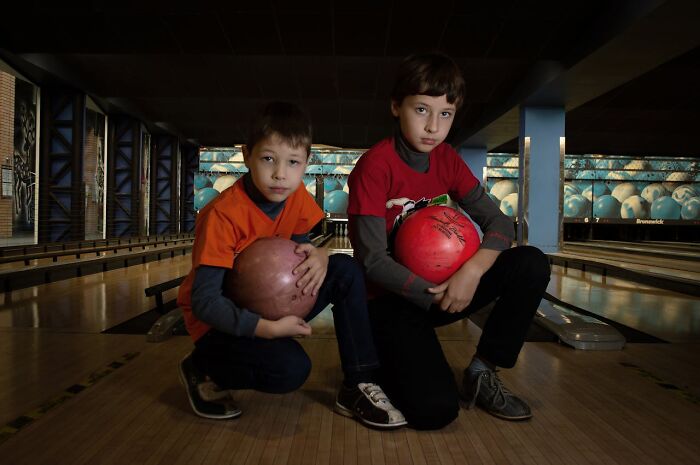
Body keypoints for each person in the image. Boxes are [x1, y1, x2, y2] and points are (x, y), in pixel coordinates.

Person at [347, 52, 551, 430]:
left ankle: (482, 371)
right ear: (396, 106)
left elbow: (500, 222)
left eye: (446, 114)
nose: (433, 126)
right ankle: (376, 368)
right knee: (435, 411)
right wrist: (434, 292)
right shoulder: (374, 167)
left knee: (531, 263)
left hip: (446, 291)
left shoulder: (447, 160)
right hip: (392, 304)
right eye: (421, 109)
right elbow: (372, 260)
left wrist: (472, 271)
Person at [176, 101, 406, 429]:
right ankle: (202, 366)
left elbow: (302, 250)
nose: (280, 174)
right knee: (289, 370)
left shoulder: (295, 197)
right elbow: (204, 303)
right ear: (247, 155)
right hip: (220, 323)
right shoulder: (222, 215)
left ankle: (358, 383)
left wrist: (319, 254)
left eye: (293, 162)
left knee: (345, 270)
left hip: (269, 301)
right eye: (268, 158)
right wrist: (267, 329)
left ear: (306, 163)